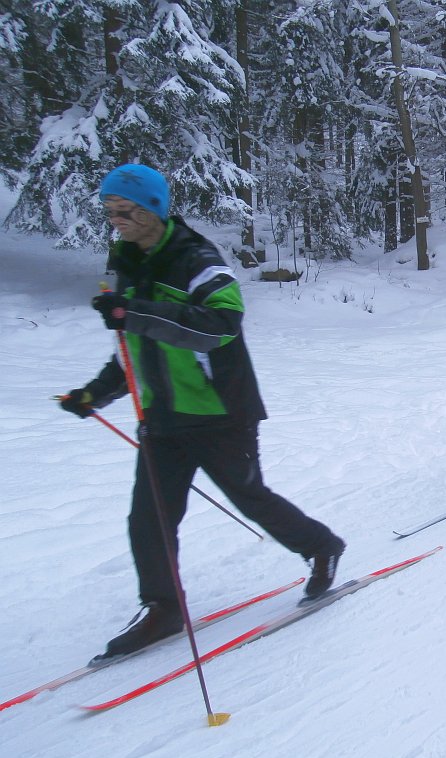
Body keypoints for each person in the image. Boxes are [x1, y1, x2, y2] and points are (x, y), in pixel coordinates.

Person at [59, 164, 345, 660]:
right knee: (148, 518)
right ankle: (163, 608)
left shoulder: (196, 259)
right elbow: (136, 349)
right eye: (110, 211)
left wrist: (134, 313)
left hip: (220, 413)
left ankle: (322, 546)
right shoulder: (129, 263)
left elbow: (221, 324)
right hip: (162, 419)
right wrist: (93, 394)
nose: (117, 221)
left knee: (250, 497)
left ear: (153, 209)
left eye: (126, 211)